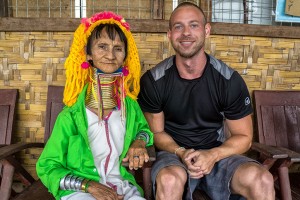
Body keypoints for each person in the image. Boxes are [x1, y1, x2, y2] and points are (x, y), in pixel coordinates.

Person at [137, 2, 275, 200]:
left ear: (207, 30)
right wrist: (181, 152)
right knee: (169, 181)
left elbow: (244, 137)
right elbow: (156, 132)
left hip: (218, 152)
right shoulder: (154, 80)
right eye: (178, 26)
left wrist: (213, 155)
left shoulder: (228, 80)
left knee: (262, 180)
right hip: (173, 154)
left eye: (193, 25)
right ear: (169, 34)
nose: (186, 33)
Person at [36, 11, 153, 200]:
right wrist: (88, 186)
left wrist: (139, 142)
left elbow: (145, 130)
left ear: (125, 55)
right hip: (79, 190)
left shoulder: (130, 107)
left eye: (118, 48)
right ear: (88, 54)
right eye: (102, 47)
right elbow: (47, 167)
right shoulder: (72, 115)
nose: (110, 55)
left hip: (121, 185)